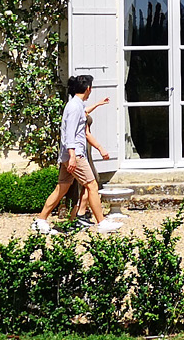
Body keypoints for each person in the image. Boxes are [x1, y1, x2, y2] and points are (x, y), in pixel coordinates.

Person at [33, 76, 122, 235]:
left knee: (61, 188)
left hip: (69, 155)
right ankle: (101, 222)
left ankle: (40, 220)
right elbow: (69, 134)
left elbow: (83, 114)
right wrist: (73, 156)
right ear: (88, 89)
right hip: (76, 155)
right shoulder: (74, 107)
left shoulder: (75, 105)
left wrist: (98, 104)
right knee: (92, 185)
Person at [72, 95, 112, 227]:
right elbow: (87, 134)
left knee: (88, 183)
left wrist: (98, 103)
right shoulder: (75, 108)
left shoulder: (78, 108)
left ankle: (80, 213)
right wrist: (100, 148)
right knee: (90, 182)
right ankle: (79, 213)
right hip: (82, 149)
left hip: (84, 149)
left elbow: (86, 111)